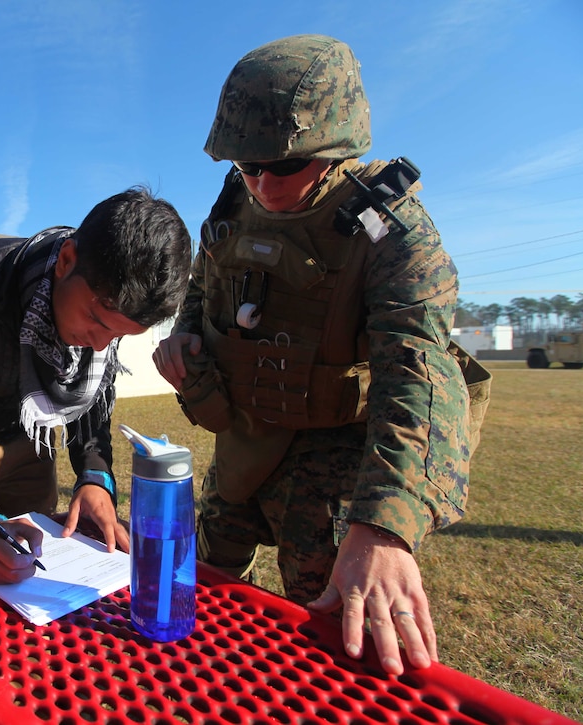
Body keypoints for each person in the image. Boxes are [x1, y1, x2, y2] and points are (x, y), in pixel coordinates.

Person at [153, 35, 485, 675]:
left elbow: (416, 370)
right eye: (247, 166)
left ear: (336, 149)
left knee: (337, 631)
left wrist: (384, 527)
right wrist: (185, 339)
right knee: (199, 598)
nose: (262, 184)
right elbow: (202, 289)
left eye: (283, 166)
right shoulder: (234, 203)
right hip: (244, 442)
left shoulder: (392, 231)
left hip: (332, 459)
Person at [0, 187, 192, 585]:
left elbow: (92, 403)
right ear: (66, 260)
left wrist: (95, 477)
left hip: (31, 444)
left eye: (119, 336)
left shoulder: (113, 299)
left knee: (30, 576)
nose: (100, 345)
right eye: (97, 321)